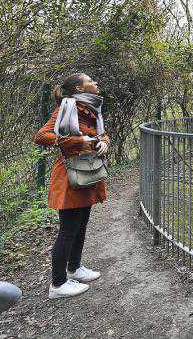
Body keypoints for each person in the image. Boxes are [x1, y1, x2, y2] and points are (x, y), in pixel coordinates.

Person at [35, 73, 110, 299]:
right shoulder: (67, 108)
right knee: (68, 230)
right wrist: (78, 141)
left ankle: (74, 268)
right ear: (79, 89)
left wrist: (104, 142)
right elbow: (42, 136)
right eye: (91, 81)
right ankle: (57, 284)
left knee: (82, 224)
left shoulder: (92, 109)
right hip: (70, 176)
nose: (96, 83)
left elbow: (101, 133)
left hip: (88, 173)